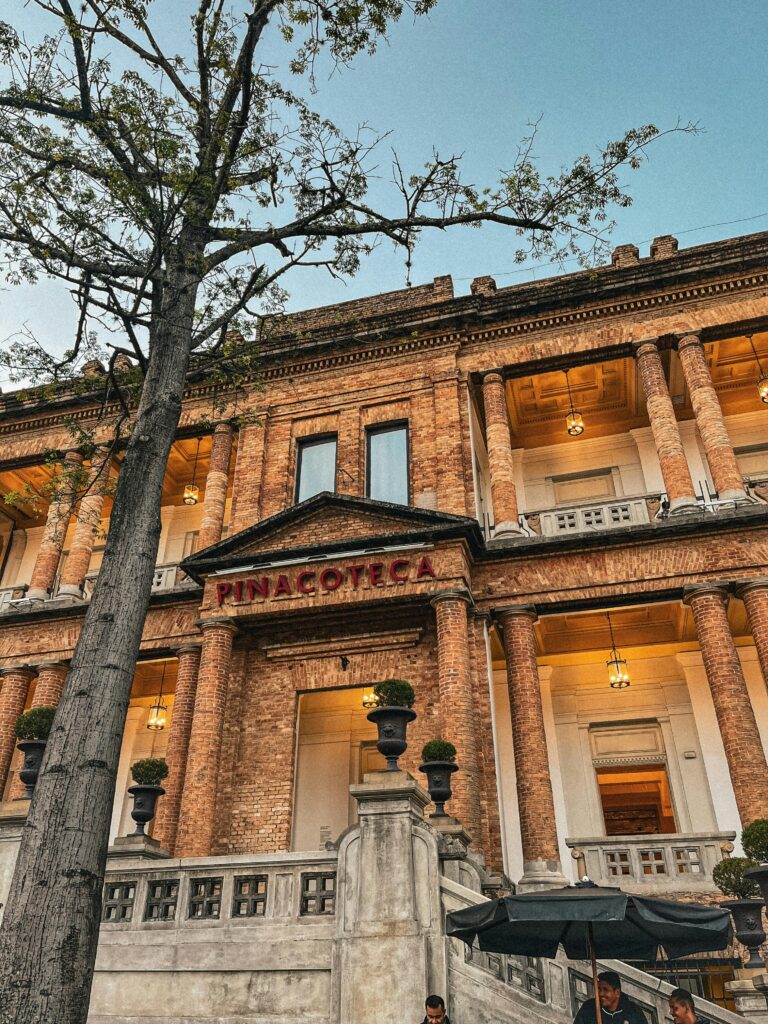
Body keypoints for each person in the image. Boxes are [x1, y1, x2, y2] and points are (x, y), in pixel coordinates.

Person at [574, 971, 649, 1024]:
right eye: (599, 989)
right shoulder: (588, 1008)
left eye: (605, 990)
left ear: (617, 993)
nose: (600, 993)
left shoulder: (633, 1011)